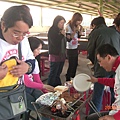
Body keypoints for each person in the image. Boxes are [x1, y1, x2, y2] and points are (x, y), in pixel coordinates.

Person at [0, 5, 36, 120]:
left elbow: (32, 60)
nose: (20, 38)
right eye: (16, 33)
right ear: (3, 25)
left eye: (24, 33)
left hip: (16, 95)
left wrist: (27, 67)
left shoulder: (23, 40)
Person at [87, 16, 120, 114]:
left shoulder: (95, 32)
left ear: (94, 25)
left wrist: (95, 62)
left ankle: (94, 115)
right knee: (115, 90)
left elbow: (90, 50)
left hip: (103, 66)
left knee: (98, 93)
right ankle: (113, 110)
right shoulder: (115, 32)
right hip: (115, 64)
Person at [86, 44, 120, 120]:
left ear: (108, 57)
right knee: (90, 118)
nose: (100, 65)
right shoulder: (117, 68)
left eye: (100, 61)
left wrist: (114, 117)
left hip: (117, 113)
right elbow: (115, 83)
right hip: (116, 109)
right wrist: (97, 80)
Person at [47, 15, 66, 87]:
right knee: (53, 73)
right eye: (61, 23)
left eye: (63, 23)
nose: (62, 25)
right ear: (56, 22)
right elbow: (54, 43)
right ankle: (49, 88)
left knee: (58, 72)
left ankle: (57, 86)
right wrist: (61, 35)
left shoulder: (60, 31)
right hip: (54, 55)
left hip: (61, 55)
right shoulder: (52, 30)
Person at [66, 12, 83, 81]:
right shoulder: (68, 26)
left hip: (75, 47)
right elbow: (68, 39)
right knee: (71, 65)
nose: (79, 22)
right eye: (78, 20)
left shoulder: (77, 26)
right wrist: (75, 31)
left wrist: (80, 32)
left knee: (75, 64)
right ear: (75, 19)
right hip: (70, 48)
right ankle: (68, 79)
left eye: (80, 21)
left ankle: (73, 78)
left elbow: (78, 36)